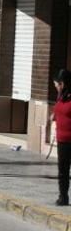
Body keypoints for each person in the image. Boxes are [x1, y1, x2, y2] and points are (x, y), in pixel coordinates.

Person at [52, 69, 71, 206]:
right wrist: (53, 116)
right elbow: (58, 110)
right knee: (62, 171)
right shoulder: (60, 96)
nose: (56, 87)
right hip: (62, 140)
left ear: (63, 83)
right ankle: (63, 196)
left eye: (57, 84)